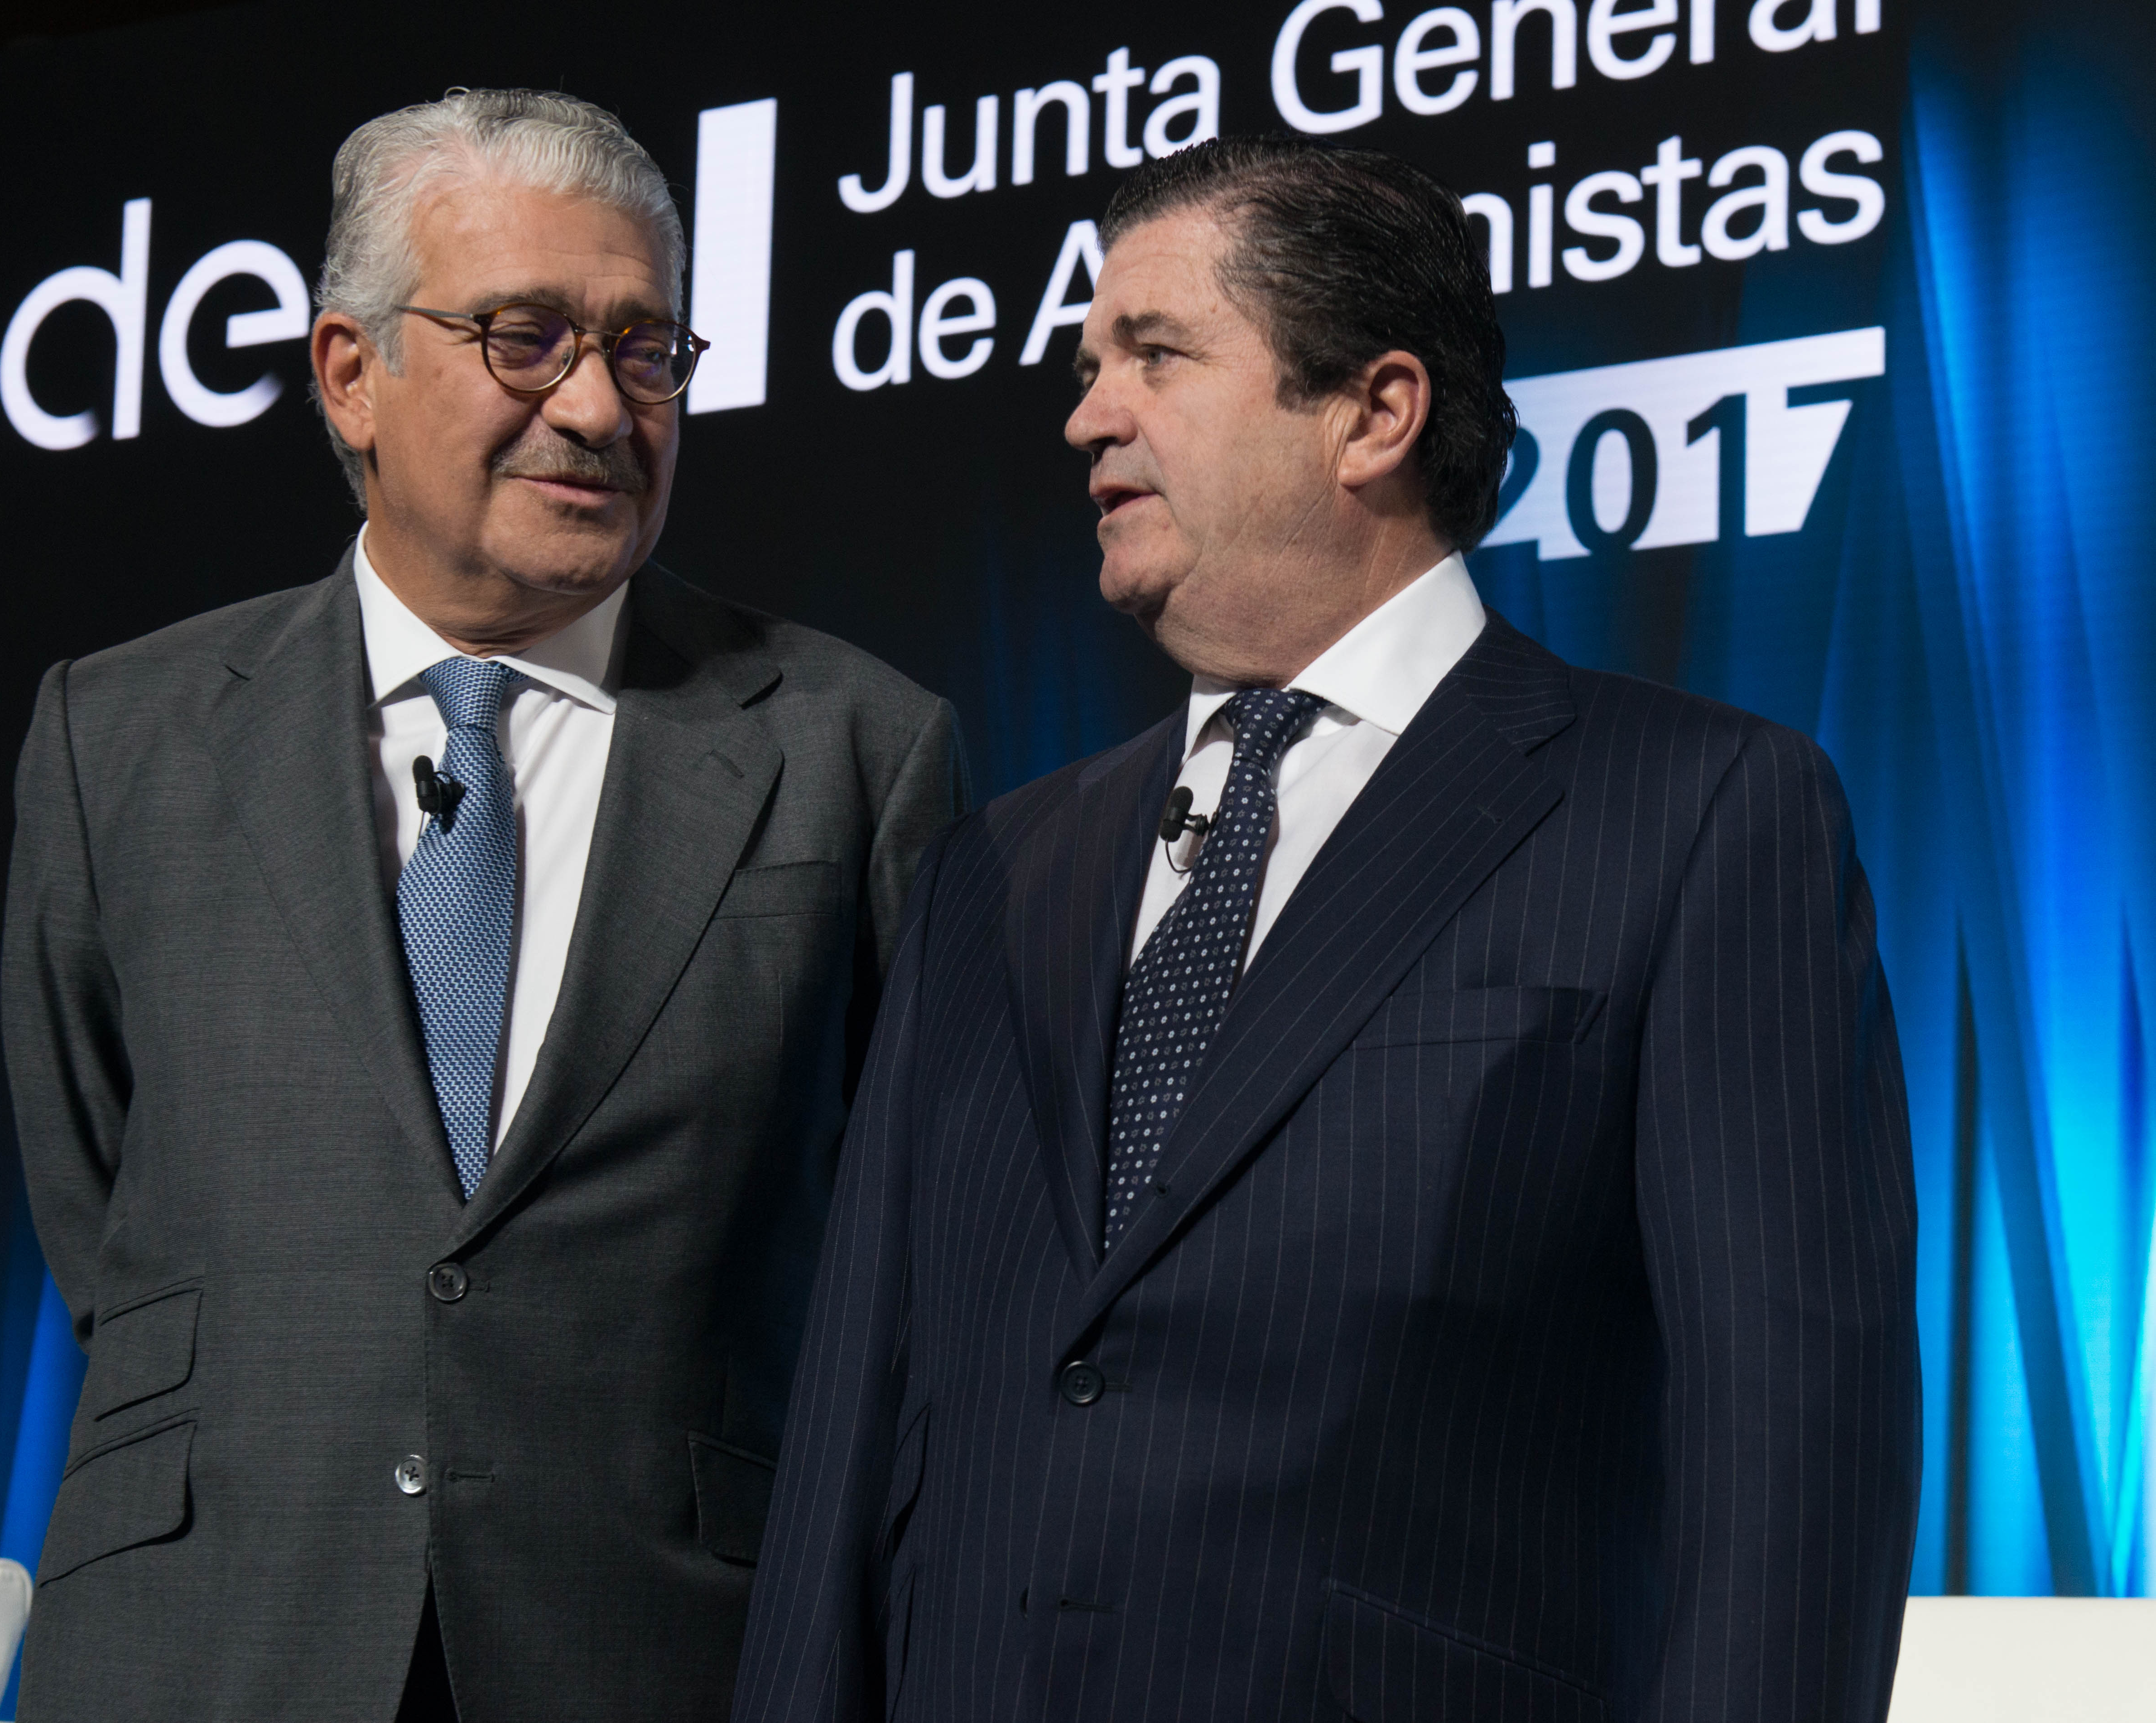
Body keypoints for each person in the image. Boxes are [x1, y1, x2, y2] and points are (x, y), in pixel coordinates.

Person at [736, 135, 1918, 1723]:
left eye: (1150, 354)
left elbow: (1792, 1464)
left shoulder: (1697, 814)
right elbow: (850, 1442)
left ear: (1373, 411)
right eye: (1088, 365)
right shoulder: (992, 870)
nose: (1087, 413)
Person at [2, 89, 965, 1723]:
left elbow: (919, 1248)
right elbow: (102, 1190)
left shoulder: (856, 745)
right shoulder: (121, 733)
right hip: (212, 1634)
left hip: (667, 1647)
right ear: (350, 375)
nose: (597, 405)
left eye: (647, 349)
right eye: (526, 337)